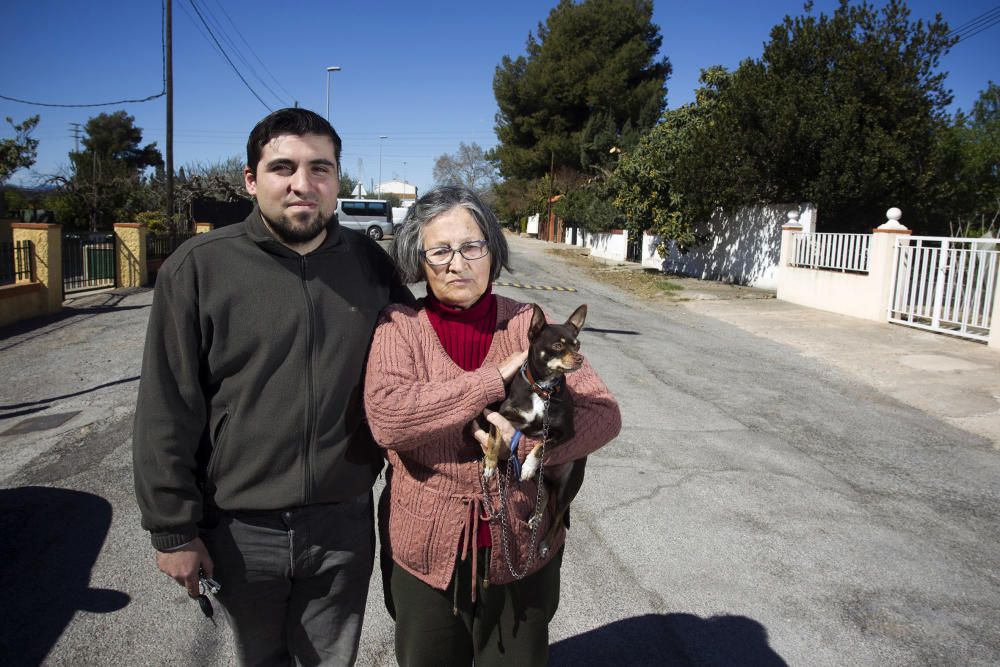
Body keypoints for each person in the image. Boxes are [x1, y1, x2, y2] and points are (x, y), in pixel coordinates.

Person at [133, 107, 412, 665]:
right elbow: (167, 406)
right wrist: (173, 530)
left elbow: (419, 365)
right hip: (239, 530)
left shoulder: (371, 266)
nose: (302, 184)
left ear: (337, 181)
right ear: (251, 179)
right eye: (283, 167)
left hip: (342, 522)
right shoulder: (198, 268)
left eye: (320, 168)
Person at [363, 185, 621, 666]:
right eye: (439, 251)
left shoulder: (527, 324)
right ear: (418, 260)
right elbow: (389, 420)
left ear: (493, 251)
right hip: (426, 554)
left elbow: (604, 414)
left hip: (522, 547)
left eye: (472, 246)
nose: (457, 263)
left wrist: (523, 449)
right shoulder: (398, 326)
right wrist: (491, 380)